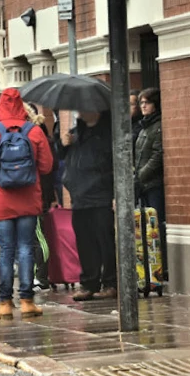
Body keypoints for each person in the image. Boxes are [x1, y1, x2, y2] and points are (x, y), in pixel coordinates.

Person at [0, 89, 54, 319]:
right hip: (28, 200)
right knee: (27, 248)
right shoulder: (34, 131)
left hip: (1, 201)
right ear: (22, 107)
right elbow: (47, 166)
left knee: (7, 250)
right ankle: (27, 301)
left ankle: (6, 304)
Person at [60, 110, 117, 301]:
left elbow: (113, 162)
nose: (80, 111)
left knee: (105, 241)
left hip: (101, 195)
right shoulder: (77, 133)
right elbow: (62, 159)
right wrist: (63, 145)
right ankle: (88, 283)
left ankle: (111, 282)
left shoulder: (107, 133)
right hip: (79, 196)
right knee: (85, 242)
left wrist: (115, 194)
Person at [135, 87, 167, 279]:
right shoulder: (144, 127)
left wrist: (140, 176)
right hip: (143, 183)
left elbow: (156, 155)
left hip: (152, 183)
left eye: (146, 102)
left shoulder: (158, 126)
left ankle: (160, 266)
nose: (143, 106)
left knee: (156, 224)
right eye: (141, 103)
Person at [26, 103, 57, 291]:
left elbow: (47, 169)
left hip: (37, 196)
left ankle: (42, 277)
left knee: (38, 237)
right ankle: (33, 276)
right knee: (30, 239)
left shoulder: (39, 136)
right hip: (30, 194)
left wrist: (47, 196)